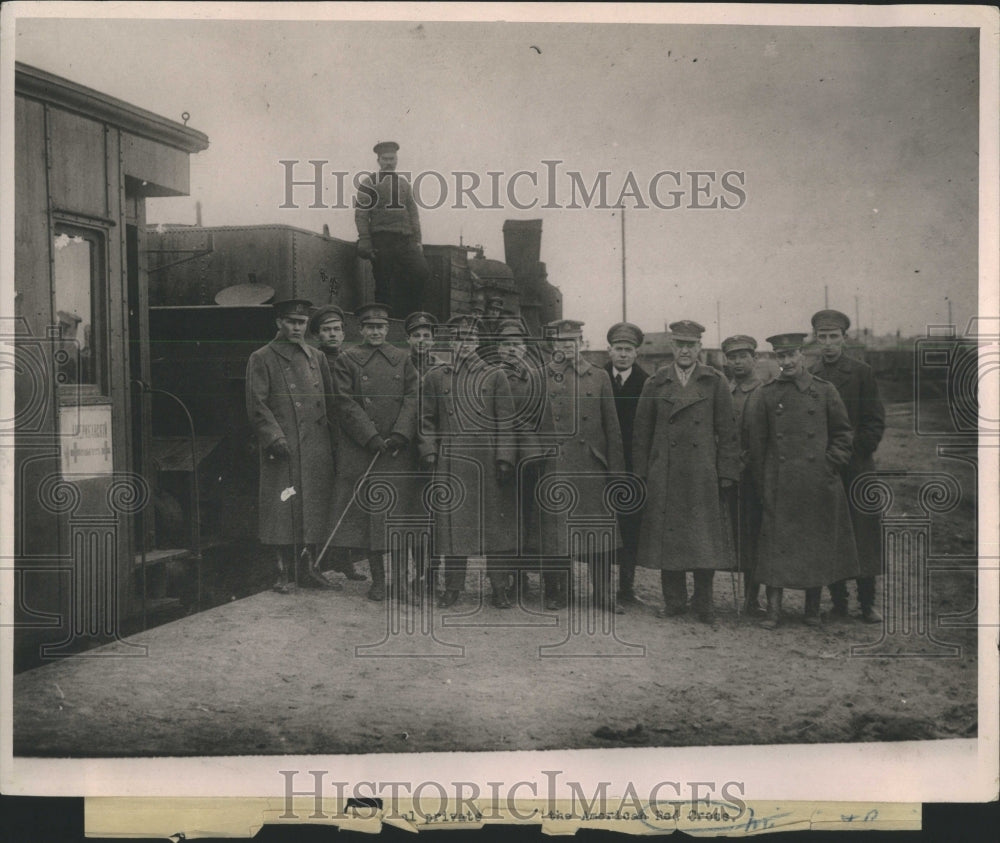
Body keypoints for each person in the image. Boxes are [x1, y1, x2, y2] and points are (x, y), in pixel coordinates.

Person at [748, 332, 860, 629]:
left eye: (791, 355)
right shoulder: (768, 393)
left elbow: (843, 433)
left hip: (816, 482)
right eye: (779, 356)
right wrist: (763, 481)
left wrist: (830, 464)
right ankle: (773, 611)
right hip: (780, 481)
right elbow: (758, 443)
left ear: (803, 355)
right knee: (776, 545)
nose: (786, 361)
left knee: (815, 544)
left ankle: (812, 609)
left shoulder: (824, 391)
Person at [633, 320, 739, 624]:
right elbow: (642, 432)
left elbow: (727, 430)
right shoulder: (656, 382)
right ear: (672, 347)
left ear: (699, 348)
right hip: (665, 471)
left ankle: (703, 603)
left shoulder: (715, 381)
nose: (684, 351)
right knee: (671, 539)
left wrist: (727, 472)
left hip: (701, 472)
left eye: (690, 345)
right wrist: (642, 472)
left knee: (703, 539)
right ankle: (674, 601)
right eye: (679, 344)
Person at [417, 314, 517, 609]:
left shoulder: (494, 375)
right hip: (451, 462)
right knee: (453, 528)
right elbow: (426, 420)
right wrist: (429, 452)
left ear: (478, 342)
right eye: (459, 338)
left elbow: (506, 421)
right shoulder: (436, 376)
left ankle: (500, 587)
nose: (464, 344)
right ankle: (453, 587)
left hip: (487, 462)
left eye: (470, 339)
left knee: (494, 529)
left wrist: (504, 458)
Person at [246, 299, 338, 592]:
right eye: (291, 321)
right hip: (284, 445)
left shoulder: (316, 357)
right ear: (279, 323)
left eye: (301, 322)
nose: (297, 327)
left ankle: (308, 568)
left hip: (314, 445)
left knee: (311, 508)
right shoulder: (262, 357)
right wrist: (274, 438)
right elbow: (257, 405)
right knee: (282, 509)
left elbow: (331, 401)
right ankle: (282, 573)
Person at [330, 303, 419, 602]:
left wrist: (400, 434)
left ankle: (403, 583)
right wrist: (370, 437)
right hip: (364, 450)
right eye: (370, 327)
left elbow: (413, 397)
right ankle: (379, 581)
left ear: (387, 329)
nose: (376, 332)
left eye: (380, 327)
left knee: (400, 518)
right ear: (361, 330)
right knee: (373, 519)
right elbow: (344, 403)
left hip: (397, 451)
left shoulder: (402, 359)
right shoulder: (348, 359)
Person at [538, 319, 626, 613]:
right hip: (556, 466)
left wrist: (616, 471)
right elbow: (531, 425)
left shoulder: (598, 377)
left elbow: (613, 428)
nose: (567, 347)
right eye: (562, 342)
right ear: (553, 345)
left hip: (591, 466)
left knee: (598, 533)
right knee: (557, 534)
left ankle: (602, 593)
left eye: (572, 341)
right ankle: (559, 592)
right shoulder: (543, 377)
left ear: (581, 343)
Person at [809, 309, 887, 623]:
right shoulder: (811, 374)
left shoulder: (861, 372)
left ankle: (867, 603)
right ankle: (838, 601)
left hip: (856, 468)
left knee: (863, 534)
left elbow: (874, 422)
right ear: (816, 339)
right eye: (822, 337)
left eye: (834, 337)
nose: (828, 343)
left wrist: (852, 451)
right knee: (829, 531)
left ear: (844, 338)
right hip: (823, 467)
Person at [496, 318, 554, 601]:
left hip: (530, 457)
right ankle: (506, 578)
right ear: (498, 349)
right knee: (504, 518)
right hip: (499, 457)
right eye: (506, 345)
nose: (511, 350)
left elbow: (546, 419)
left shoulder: (536, 377)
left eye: (516, 345)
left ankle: (525, 577)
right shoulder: (489, 376)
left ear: (524, 348)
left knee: (529, 517)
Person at [306, 305, 366, 583]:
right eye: (326, 330)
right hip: (322, 439)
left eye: (337, 329)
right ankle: (313, 563)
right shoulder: (314, 361)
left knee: (345, 502)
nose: (333, 334)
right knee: (320, 501)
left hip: (348, 440)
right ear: (317, 335)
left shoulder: (353, 359)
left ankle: (344, 560)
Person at [354, 141, 430, 317]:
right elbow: (361, 214)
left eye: (392, 158)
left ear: (397, 160)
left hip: (405, 240)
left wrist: (418, 240)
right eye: (385, 159)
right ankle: (383, 323)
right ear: (378, 160)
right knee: (383, 282)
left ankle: (413, 318)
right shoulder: (369, 183)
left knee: (421, 272)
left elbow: (413, 213)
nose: (389, 162)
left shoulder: (404, 184)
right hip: (382, 240)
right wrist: (365, 240)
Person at [604, 321, 649, 605]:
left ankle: (627, 588)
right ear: (609, 351)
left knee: (630, 525)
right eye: (618, 349)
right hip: (603, 462)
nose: (623, 354)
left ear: (636, 354)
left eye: (628, 350)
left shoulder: (647, 383)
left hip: (633, 466)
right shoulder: (597, 378)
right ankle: (602, 588)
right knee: (603, 524)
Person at [722, 334, 767, 616]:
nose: (738, 362)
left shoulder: (764, 391)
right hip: (727, 475)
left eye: (743, 356)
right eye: (732, 357)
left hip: (755, 477)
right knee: (728, 534)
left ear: (755, 358)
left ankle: (753, 598)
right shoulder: (723, 390)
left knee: (753, 536)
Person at [403, 310, 439, 600]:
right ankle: (410, 576)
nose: (422, 340)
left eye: (427, 336)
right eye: (417, 336)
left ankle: (428, 575)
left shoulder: (441, 370)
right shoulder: (400, 366)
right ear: (408, 339)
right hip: (404, 451)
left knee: (434, 517)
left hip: (432, 452)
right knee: (411, 516)